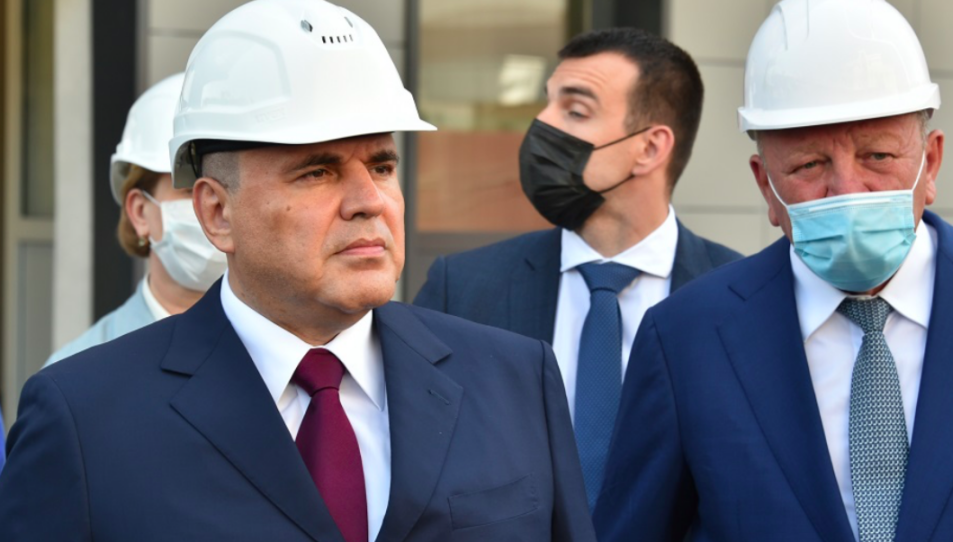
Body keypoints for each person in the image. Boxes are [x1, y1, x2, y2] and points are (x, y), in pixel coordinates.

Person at [0, 1, 595, 541]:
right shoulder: (86, 419)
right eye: (318, 172)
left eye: (382, 166)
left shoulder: (515, 381)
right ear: (217, 212)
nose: (370, 201)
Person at [595, 0, 953, 541]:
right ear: (765, 185)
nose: (847, 190)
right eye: (808, 165)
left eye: (877, 157)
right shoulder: (685, 338)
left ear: (930, 162)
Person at [414, 27, 742, 508]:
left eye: (575, 110)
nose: (541, 124)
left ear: (650, 148)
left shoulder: (744, 300)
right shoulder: (461, 289)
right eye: (547, 103)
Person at [44, 72, 226, 366]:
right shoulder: (80, 370)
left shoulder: (292, 350)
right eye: (190, 191)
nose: (215, 208)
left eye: (225, 189)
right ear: (140, 212)